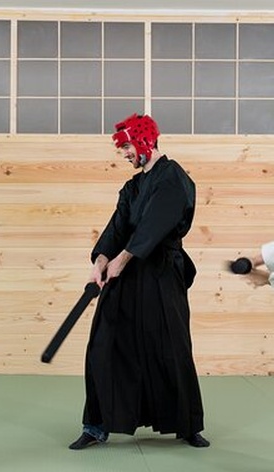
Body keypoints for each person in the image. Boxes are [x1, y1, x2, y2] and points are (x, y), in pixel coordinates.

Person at [68, 113, 210, 450]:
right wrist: (101, 259)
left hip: (161, 272)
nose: (124, 154)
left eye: (127, 147)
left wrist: (121, 259)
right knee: (103, 342)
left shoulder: (173, 178)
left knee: (172, 346)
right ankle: (96, 425)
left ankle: (187, 424)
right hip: (128, 274)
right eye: (122, 149)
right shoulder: (132, 187)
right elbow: (118, 226)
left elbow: (154, 226)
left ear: (146, 141)